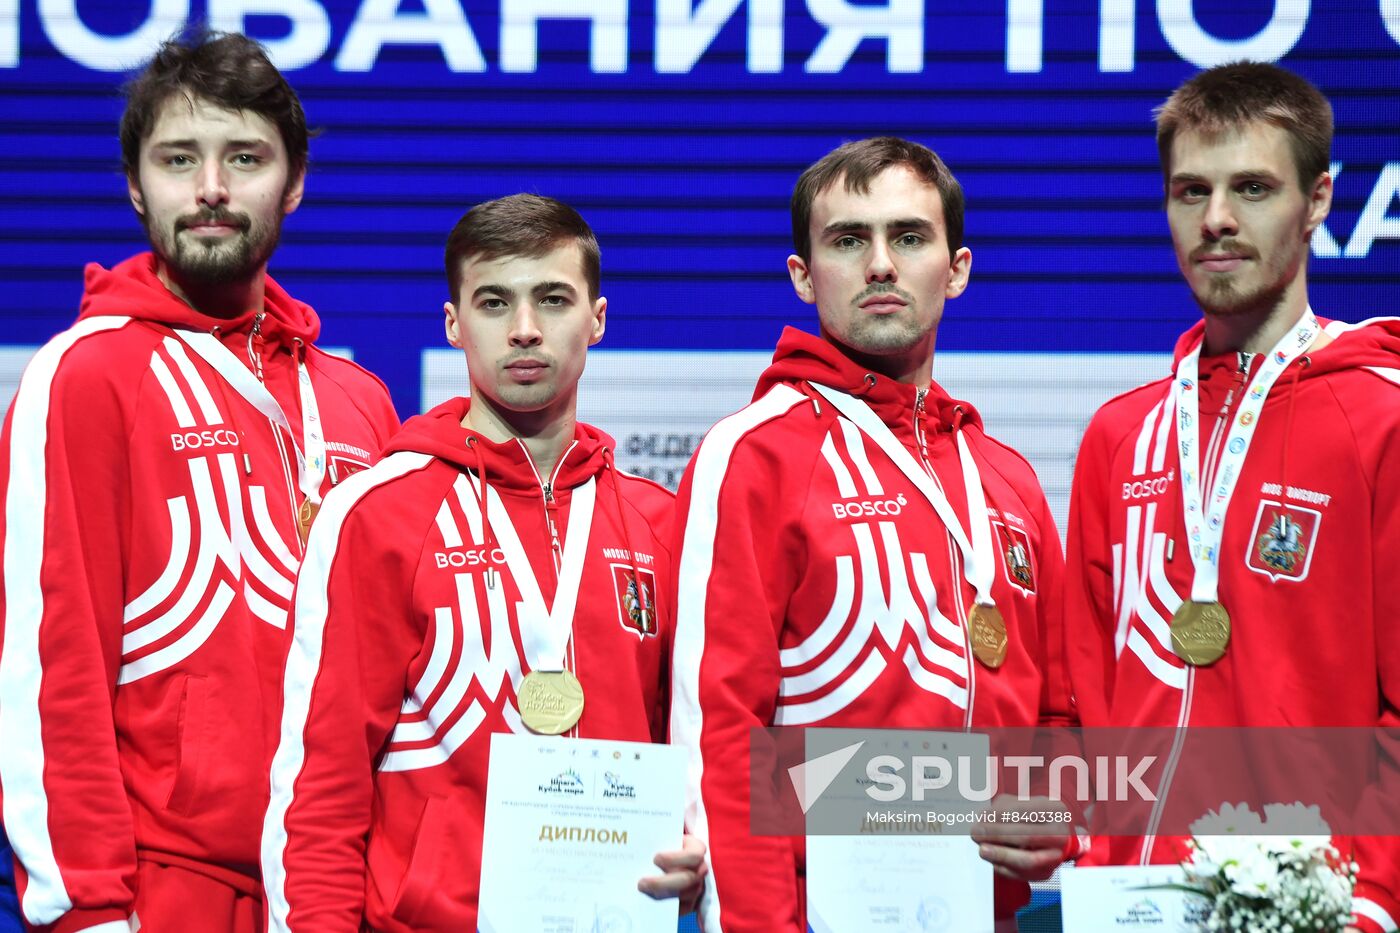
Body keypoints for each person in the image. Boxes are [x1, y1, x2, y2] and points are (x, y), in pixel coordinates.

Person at [0, 30, 400, 933]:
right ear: (136, 184)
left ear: (293, 183)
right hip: (162, 894)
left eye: (244, 158)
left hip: (339, 898)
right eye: (179, 159)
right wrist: (86, 912)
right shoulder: (86, 376)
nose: (212, 188)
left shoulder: (360, 399)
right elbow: (48, 675)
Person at [261, 194, 705, 931]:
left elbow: (703, 754)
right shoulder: (378, 517)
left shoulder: (661, 526)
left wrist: (702, 844)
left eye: (552, 299)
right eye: (494, 301)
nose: (524, 329)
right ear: (454, 323)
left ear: (597, 318)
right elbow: (320, 794)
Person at [669, 136, 1080, 933]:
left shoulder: (1008, 478)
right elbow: (720, 733)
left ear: (956, 269)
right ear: (803, 274)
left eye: (909, 237)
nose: (881, 264)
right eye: (849, 240)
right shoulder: (757, 453)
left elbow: (1058, 716)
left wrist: (1050, 810)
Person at [1062, 61, 1400, 933]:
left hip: (1314, 904)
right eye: (1190, 191)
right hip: (1129, 903)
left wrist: (1370, 899)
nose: (1216, 220)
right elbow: (1080, 698)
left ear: (1318, 200)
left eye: (1252, 188)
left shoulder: (1381, 417)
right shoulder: (1118, 435)